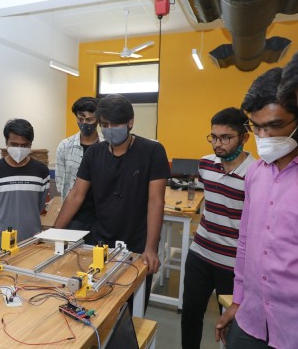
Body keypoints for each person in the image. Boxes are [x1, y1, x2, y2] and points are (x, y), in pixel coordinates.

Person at [53, 94, 170, 306]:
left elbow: (155, 201)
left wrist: (151, 248)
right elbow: (76, 195)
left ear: (130, 122)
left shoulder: (152, 151)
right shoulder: (94, 153)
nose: (109, 129)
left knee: (132, 308)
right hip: (99, 242)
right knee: (94, 302)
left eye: (115, 124)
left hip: (137, 243)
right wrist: (54, 234)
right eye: (104, 124)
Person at [216, 64, 298, 348]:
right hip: (250, 317)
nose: (264, 136)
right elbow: (246, 242)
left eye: (274, 125)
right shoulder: (256, 173)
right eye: (256, 126)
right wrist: (237, 301)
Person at [181, 107, 255, 349]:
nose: (217, 144)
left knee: (232, 325)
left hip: (233, 264)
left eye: (226, 137)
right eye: (214, 137)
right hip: (200, 254)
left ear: (244, 137)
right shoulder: (205, 165)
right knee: (191, 315)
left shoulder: (256, 173)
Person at [0, 119, 50, 254]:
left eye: (24, 145)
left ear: (31, 144)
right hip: (0, 241)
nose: (19, 149)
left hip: (31, 239)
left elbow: (40, 205)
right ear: (6, 143)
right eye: (14, 144)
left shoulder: (41, 171)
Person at [55, 97, 102, 237]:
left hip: (100, 215)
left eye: (89, 119)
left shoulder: (106, 146)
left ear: (98, 119)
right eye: (81, 119)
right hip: (73, 216)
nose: (85, 123)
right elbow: (60, 182)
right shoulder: (65, 146)